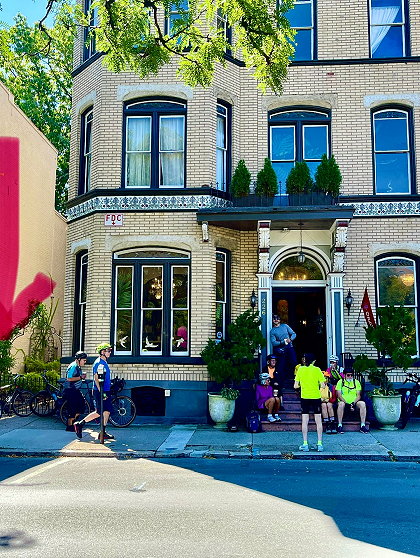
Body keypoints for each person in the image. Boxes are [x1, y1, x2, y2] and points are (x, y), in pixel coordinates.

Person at [74, 343, 115, 441]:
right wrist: (102, 393)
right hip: (100, 391)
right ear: (102, 352)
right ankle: (79, 424)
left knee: (107, 411)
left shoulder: (104, 362)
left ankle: (102, 432)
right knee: (99, 412)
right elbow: (96, 379)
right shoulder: (98, 363)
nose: (110, 352)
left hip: (105, 390)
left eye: (110, 351)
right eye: (108, 351)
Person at [294, 352, 325, 451]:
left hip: (305, 397)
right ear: (313, 361)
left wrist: (303, 385)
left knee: (305, 420)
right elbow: (323, 385)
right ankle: (319, 444)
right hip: (316, 396)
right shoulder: (317, 370)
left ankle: (305, 443)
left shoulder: (300, 369)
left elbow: (295, 385)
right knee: (318, 421)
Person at [63, 351, 87, 432]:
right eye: (84, 360)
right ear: (79, 359)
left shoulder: (77, 366)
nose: (85, 362)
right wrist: (80, 377)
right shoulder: (73, 366)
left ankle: (74, 424)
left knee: (81, 406)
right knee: (73, 408)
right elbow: (69, 378)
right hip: (71, 390)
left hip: (75, 390)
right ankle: (70, 426)